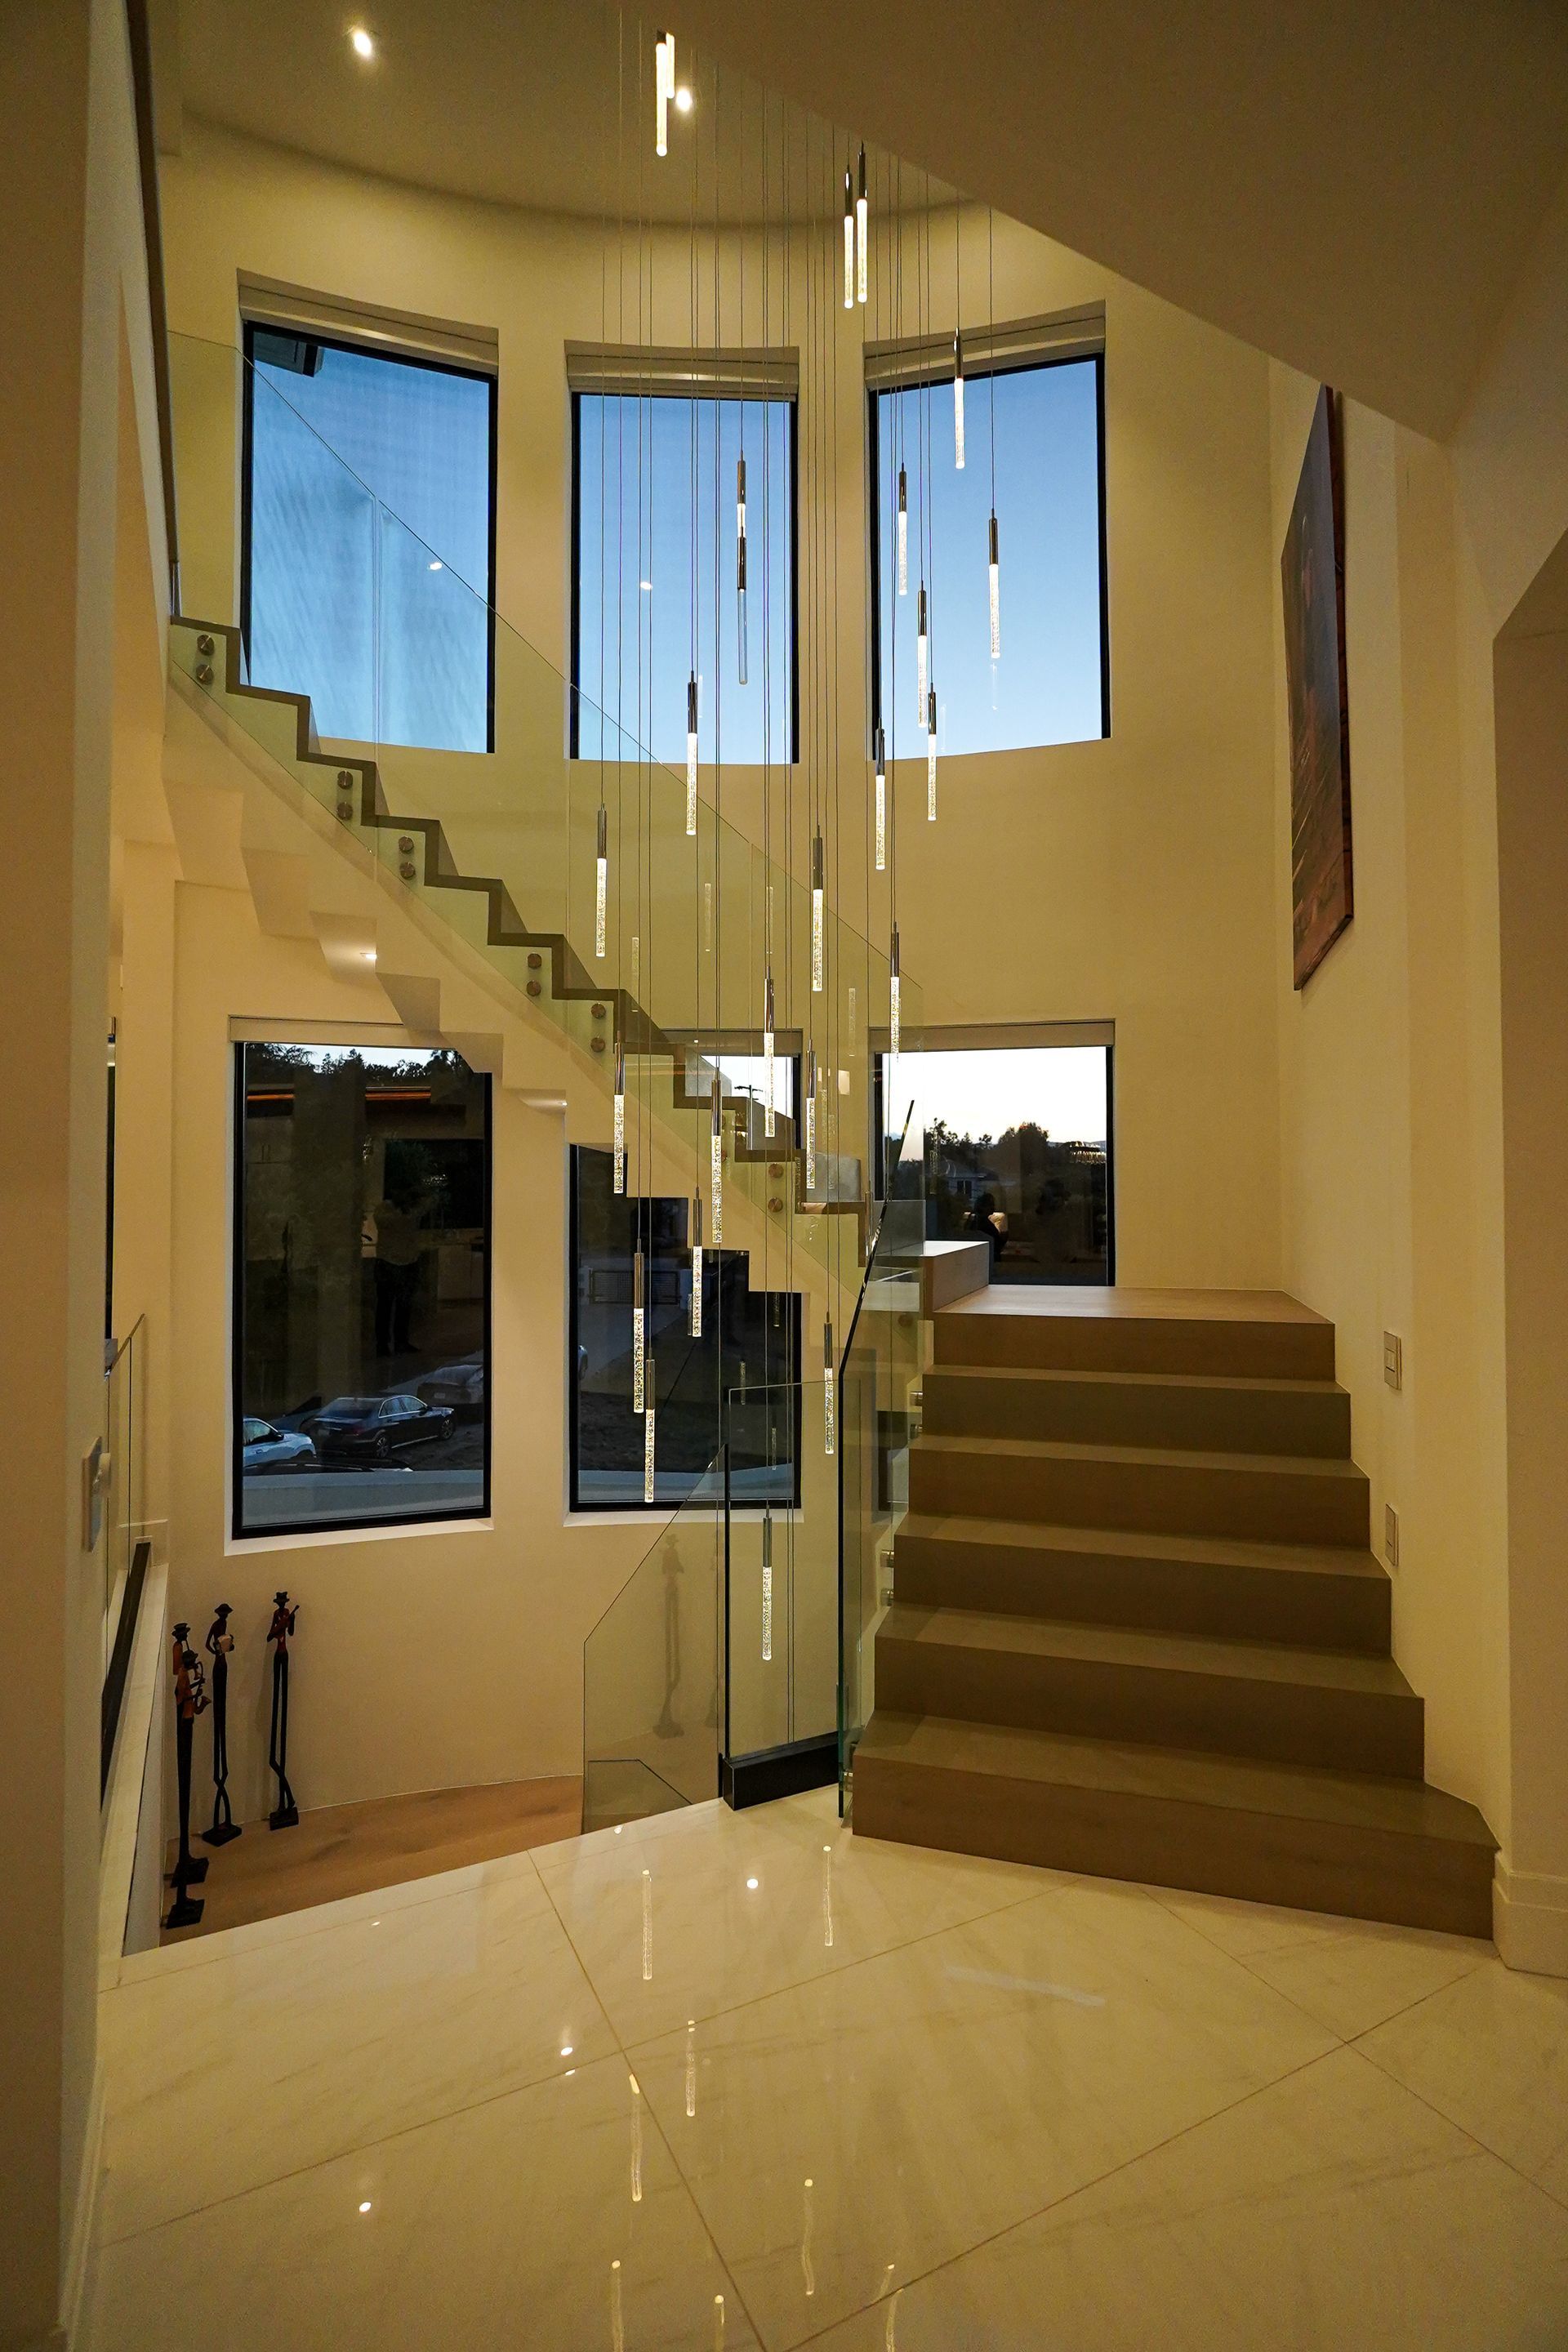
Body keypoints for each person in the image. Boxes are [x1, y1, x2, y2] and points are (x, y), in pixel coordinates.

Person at [371, 1187, 423, 1356]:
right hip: (395, 1262)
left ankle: (389, 1343)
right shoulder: (392, 1211)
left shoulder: (386, 1211)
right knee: (393, 1306)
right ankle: (391, 1343)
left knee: (392, 1306)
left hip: (394, 1261)